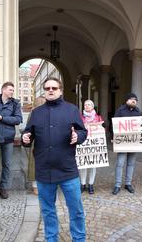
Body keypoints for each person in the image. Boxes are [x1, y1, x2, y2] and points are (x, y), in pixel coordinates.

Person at [22, 77, 87, 242]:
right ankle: (51, 239)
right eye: (48, 88)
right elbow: (28, 133)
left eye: (54, 88)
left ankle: (79, 239)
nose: (51, 90)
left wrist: (77, 136)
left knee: (76, 210)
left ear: (60, 90)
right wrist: (25, 138)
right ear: (44, 91)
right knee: (48, 211)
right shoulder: (36, 113)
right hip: (44, 170)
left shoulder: (72, 110)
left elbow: (83, 132)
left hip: (68, 169)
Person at [112, 93, 142, 195]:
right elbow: (114, 124)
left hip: (134, 142)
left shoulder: (138, 111)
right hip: (123, 142)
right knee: (120, 163)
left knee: (131, 163)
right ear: (126, 101)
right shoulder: (120, 111)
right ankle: (117, 185)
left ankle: (128, 183)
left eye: (135, 100)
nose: (134, 101)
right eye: (131, 99)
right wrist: (114, 137)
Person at [79, 99, 103, 194]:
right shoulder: (80, 117)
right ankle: (83, 184)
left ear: (93, 107)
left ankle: (91, 184)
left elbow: (102, 130)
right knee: (83, 164)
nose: (87, 106)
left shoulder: (98, 118)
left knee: (93, 165)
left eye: (89, 104)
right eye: (85, 104)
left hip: (94, 144)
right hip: (84, 144)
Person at [26, 96, 46, 195]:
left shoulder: (34, 113)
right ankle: (37, 186)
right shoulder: (36, 113)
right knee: (36, 164)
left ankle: (38, 187)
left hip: (39, 141)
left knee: (37, 165)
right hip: (38, 141)